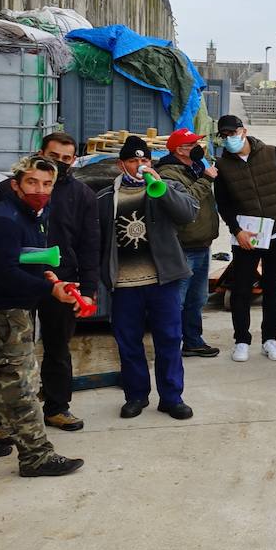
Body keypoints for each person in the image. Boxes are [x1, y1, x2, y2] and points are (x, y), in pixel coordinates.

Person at [0, 156, 85, 476]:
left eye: (47, 184)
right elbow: (4, 271)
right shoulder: (4, 220)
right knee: (20, 386)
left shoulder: (32, 213)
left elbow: (21, 255)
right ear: (16, 184)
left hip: (10, 309)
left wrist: (49, 275)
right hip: (0, 314)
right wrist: (49, 289)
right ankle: (36, 456)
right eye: (32, 182)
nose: (40, 189)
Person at [0, 132, 98, 432]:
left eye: (66, 158)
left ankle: (57, 407)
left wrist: (88, 289)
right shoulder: (10, 189)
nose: (58, 163)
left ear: (74, 160)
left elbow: (89, 244)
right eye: (53, 156)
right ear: (40, 153)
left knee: (58, 347)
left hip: (62, 281)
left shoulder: (82, 194)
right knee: (8, 352)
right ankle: (1, 419)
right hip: (19, 281)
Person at [98, 136, 200, 419]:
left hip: (162, 281)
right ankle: (136, 396)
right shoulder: (106, 198)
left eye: (144, 160)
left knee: (169, 339)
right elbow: (99, 241)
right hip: (124, 285)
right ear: (122, 165)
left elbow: (188, 213)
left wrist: (162, 188)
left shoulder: (168, 187)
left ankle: (171, 397)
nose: (139, 165)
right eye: (133, 161)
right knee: (128, 342)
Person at [213, 114, 276, 363]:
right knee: (241, 289)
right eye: (225, 135)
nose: (230, 139)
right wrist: (237, 230)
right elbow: (224, 203)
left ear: (244, 130)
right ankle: (241, 340)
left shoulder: (271, 152)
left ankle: (270, 338)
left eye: (233, 133)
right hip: (246, 237)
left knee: (273, 288)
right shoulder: (222, 165)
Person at [154, 128, 221, 358]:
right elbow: (185, 201)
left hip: (201, 242)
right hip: (183, 246)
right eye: (192, 145)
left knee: (197, 298)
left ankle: (192, 340)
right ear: (180, 150)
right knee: (177, 300)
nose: (197, 148)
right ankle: (170, 344)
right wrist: (206, 179)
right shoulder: (167, 174)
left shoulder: (194, 167)